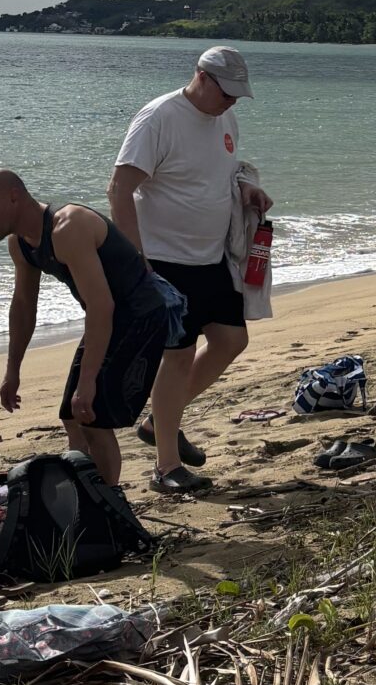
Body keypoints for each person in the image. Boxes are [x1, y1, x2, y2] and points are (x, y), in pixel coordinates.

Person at [108, 47, 269, 496]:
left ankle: (160, 421)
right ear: (201, 77)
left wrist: (248, 187)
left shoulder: (225, 119)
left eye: (239, 93)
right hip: (163, 261)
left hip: (211, 257)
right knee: (176, 357)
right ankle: (166, 467)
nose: (233, 101)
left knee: (232, 340)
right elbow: (119, 188)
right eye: (226, 91)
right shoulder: (159, 117)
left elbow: (223, 172)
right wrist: (135, 262)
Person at [0, 169, 170, 491]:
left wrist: (88, 381)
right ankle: (85, 493)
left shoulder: (68, 227)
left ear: (13, 197)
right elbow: (23, 307)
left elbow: (102, 306)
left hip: (140, 317)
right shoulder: (19, 245)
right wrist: (12, 370)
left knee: (92, 417)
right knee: (72, 416)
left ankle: (105, 506)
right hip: (107, 318)